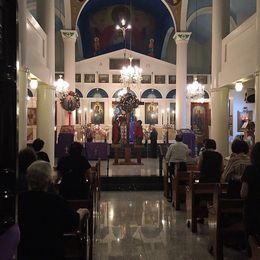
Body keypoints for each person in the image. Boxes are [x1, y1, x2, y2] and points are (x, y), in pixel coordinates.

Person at [18, 161, 87, 260]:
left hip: (24, 251)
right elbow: (72, 223)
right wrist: (81, 212)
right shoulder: (56, 201)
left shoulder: (19, 200)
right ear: (49, 180)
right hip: (51, 251)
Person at [241, 142, 260, 255]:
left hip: (253, 209)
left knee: (251, 232)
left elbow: (243, 193)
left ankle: (251, 252)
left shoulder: (250, 170)